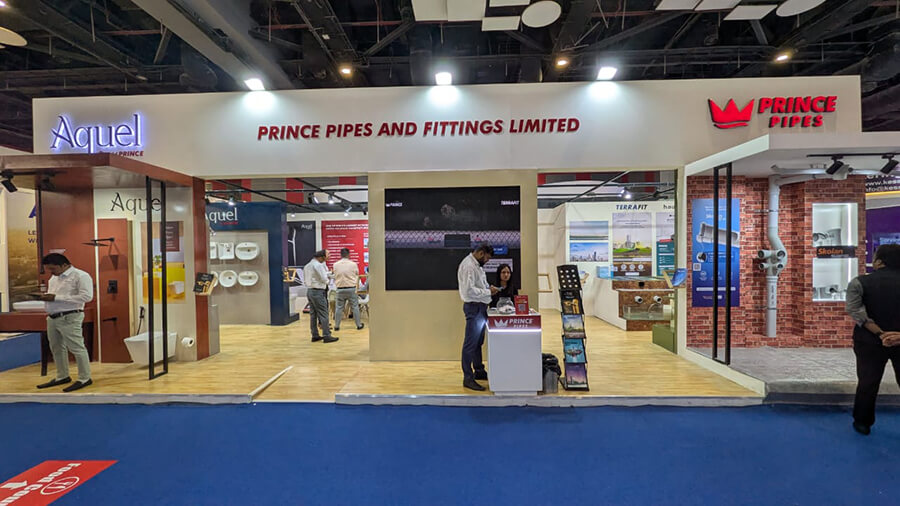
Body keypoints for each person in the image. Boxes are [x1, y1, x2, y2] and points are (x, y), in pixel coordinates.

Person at [845, 244, 900, 435]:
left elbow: (855, 311)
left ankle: (863, 422)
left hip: (869, 341)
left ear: (879, 262)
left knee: (868, 382)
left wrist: (880, 333)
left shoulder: (859, 282)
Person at [33, 253, 94, 392]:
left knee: (77, 348)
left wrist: (56, 298)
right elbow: (54, 296)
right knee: (56, 348)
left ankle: (85, 378)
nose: (51, 272)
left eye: (53, 268)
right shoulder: (53, 278)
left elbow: (86, 296)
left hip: (70, 316)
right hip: (52, 317)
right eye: (48, 269)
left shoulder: (81, 276)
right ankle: (62, 376)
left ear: (64, 265)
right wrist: (45, 297)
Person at [457, 244, 499, 391]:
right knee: (470, 344)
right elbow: (468, 291)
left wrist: (488, 289)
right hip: (474, 308)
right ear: (481, 253)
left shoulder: (476, 265)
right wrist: (487, 292)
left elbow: (479, 286)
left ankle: (479, 371)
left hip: (480, 308)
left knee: (477, 342)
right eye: (487, 258)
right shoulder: (468, 266)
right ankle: (468, 378)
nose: (487, 261)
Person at [304, 250, 338, 344]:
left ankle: (314, 335)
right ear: (322, 256)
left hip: (310, 291)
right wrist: (329, 280)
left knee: (313, 315)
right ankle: (327, 335)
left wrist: (328, 275)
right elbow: (324, 279)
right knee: (324, 314)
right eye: (328, 255)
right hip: (318, 292)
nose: (329, 256)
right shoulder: (318, 265)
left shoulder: (308, 265)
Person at [333, 248, 364, 331]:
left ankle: (336, 326)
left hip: (340, 289)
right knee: (355, 307)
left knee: (339, 308)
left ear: (341, 255)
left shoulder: (335, 264)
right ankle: (358, 325)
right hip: (351, 288)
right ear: (348, 254)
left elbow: (334, 274)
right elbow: (357, 274)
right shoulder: (353, 264)